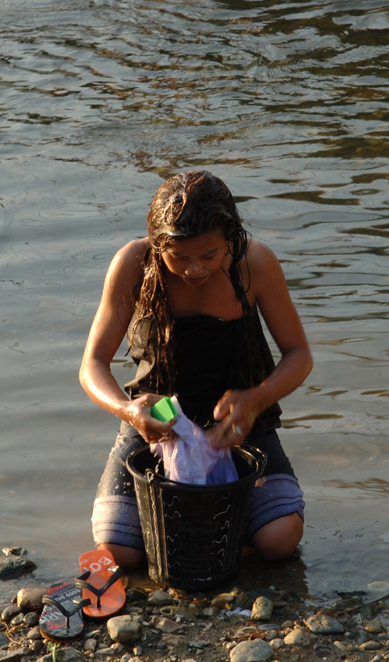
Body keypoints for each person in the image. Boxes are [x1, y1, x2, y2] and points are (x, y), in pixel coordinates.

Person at [79, 170, 313, 568]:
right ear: (156, 244)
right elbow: (93, 365)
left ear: (231, 240)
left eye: (209, 255)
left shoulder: (254, 263)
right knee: (118, 551)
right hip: (159, 419)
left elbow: (298, 355)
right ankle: (203, 536)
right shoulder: (133, 264)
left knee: (280, 540)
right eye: (179, 257)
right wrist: (129, 411)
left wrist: (255, 400)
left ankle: (201, 540)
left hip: (238, 426)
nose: (195, 270)